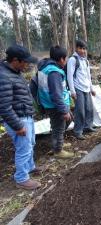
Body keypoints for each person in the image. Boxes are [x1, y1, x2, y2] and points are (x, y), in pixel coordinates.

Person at [0, 45, 41, 190]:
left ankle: (30, 167)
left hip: (26, 116)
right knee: (23, 149)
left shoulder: (15, 72)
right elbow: (4, 107)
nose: (27, 64)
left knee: (30, 144)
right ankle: (22, 178)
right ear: (15, 60)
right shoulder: (4, 76)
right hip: (18, 119)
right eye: (25, 61)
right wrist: (18, 125)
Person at [35, 46, 74, 158]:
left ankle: (58, 141)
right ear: (61, 59)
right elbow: (56, 94)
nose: (66, 61)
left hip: (50, 103)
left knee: (64, 122)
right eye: (65, 59)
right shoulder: (54, 73)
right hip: (55, 105)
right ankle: (58, 150)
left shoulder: (46, 68)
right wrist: (64, 110)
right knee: (59, 126)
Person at [67, 40, 96, 140]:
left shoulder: (86, 61)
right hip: (78, 88)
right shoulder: (73, 60)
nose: (83, 51)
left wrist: (91, 88)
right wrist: (72, 91)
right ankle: (78, 131)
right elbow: (69, 76)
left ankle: (88, 126)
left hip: (86, 88)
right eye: (81, 48)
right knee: (80, 111)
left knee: (89, 109)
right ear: (76, 48)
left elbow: (88, 76)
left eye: (84, 49)